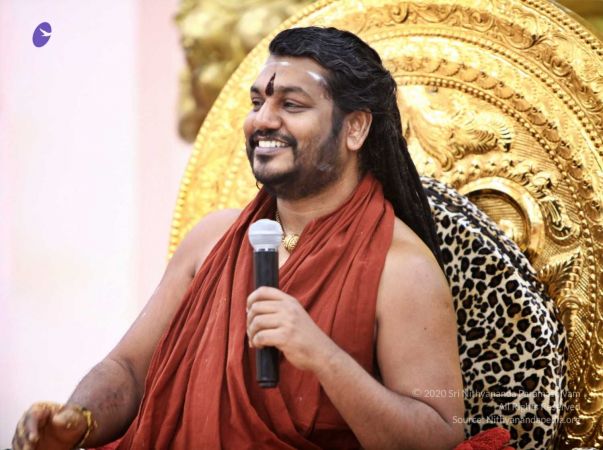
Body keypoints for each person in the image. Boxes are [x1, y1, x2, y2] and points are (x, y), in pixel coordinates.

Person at [12, 27, 465, 449]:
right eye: (257, 102)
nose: (262, 120)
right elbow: (128, 368)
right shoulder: (212, 240)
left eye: (291, 105)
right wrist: (79, 419)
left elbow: (440, 434)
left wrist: (323, 356)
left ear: (355, 128)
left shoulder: (400, 268)